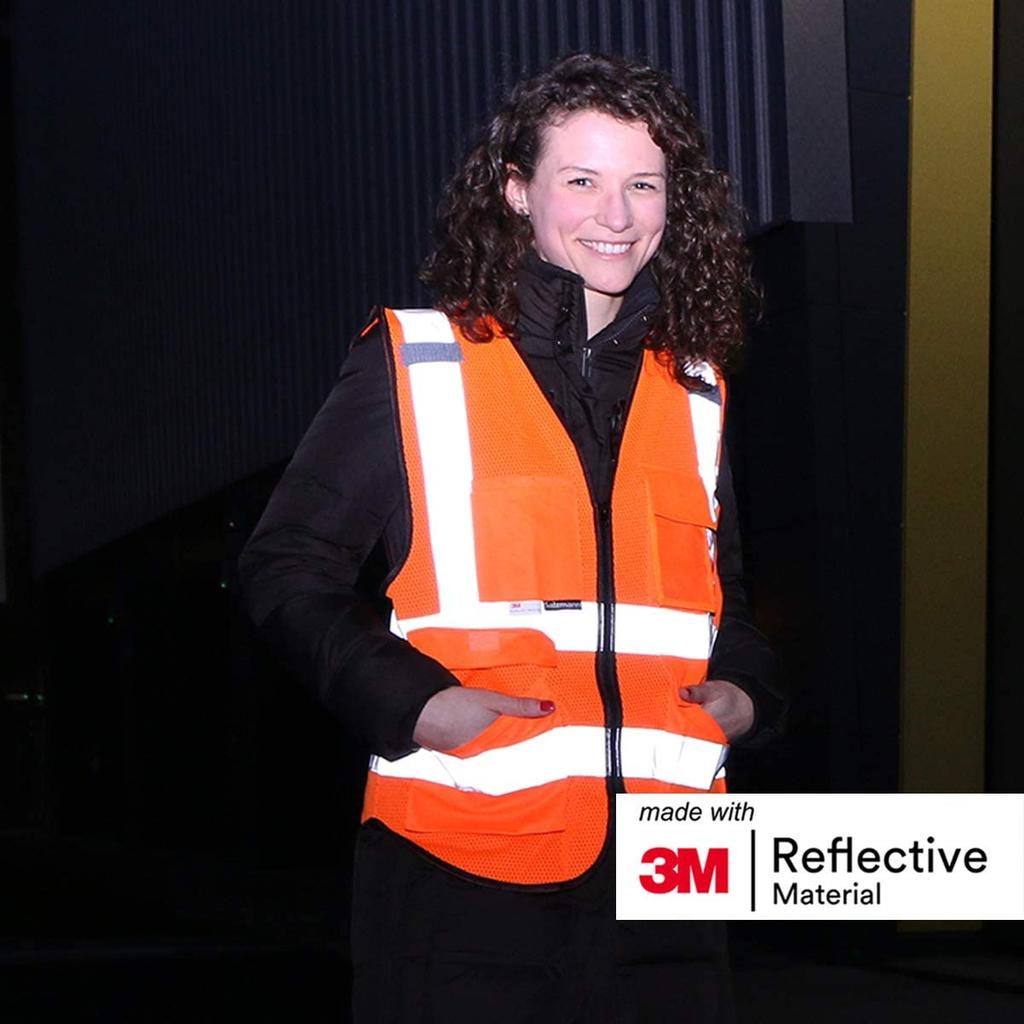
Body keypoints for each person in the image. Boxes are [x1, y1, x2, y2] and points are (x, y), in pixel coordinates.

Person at [239, 52, 781, 1023]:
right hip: (463, 873)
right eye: (582, 180)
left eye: (643, 185)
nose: (616, 215)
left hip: (675, 871)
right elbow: (284, 570)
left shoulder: (695, 388)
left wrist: (745, 690)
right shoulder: (419, 362)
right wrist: (414, 704)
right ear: (517, 190)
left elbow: (721, 596)